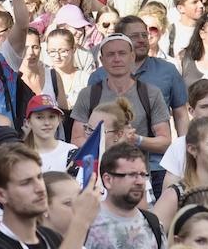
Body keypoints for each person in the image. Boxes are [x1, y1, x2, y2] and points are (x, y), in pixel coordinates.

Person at [70, 35, 172, 196]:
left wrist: (136, 139)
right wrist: (105, 145)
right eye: (110, 54)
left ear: (132, 57)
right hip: (96, 182)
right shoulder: (89, 94)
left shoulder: (150, 93)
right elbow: (76, 139)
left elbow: (165, 141)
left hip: (137, 181)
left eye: (122, 53)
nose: (116, 59)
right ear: (102, 60)